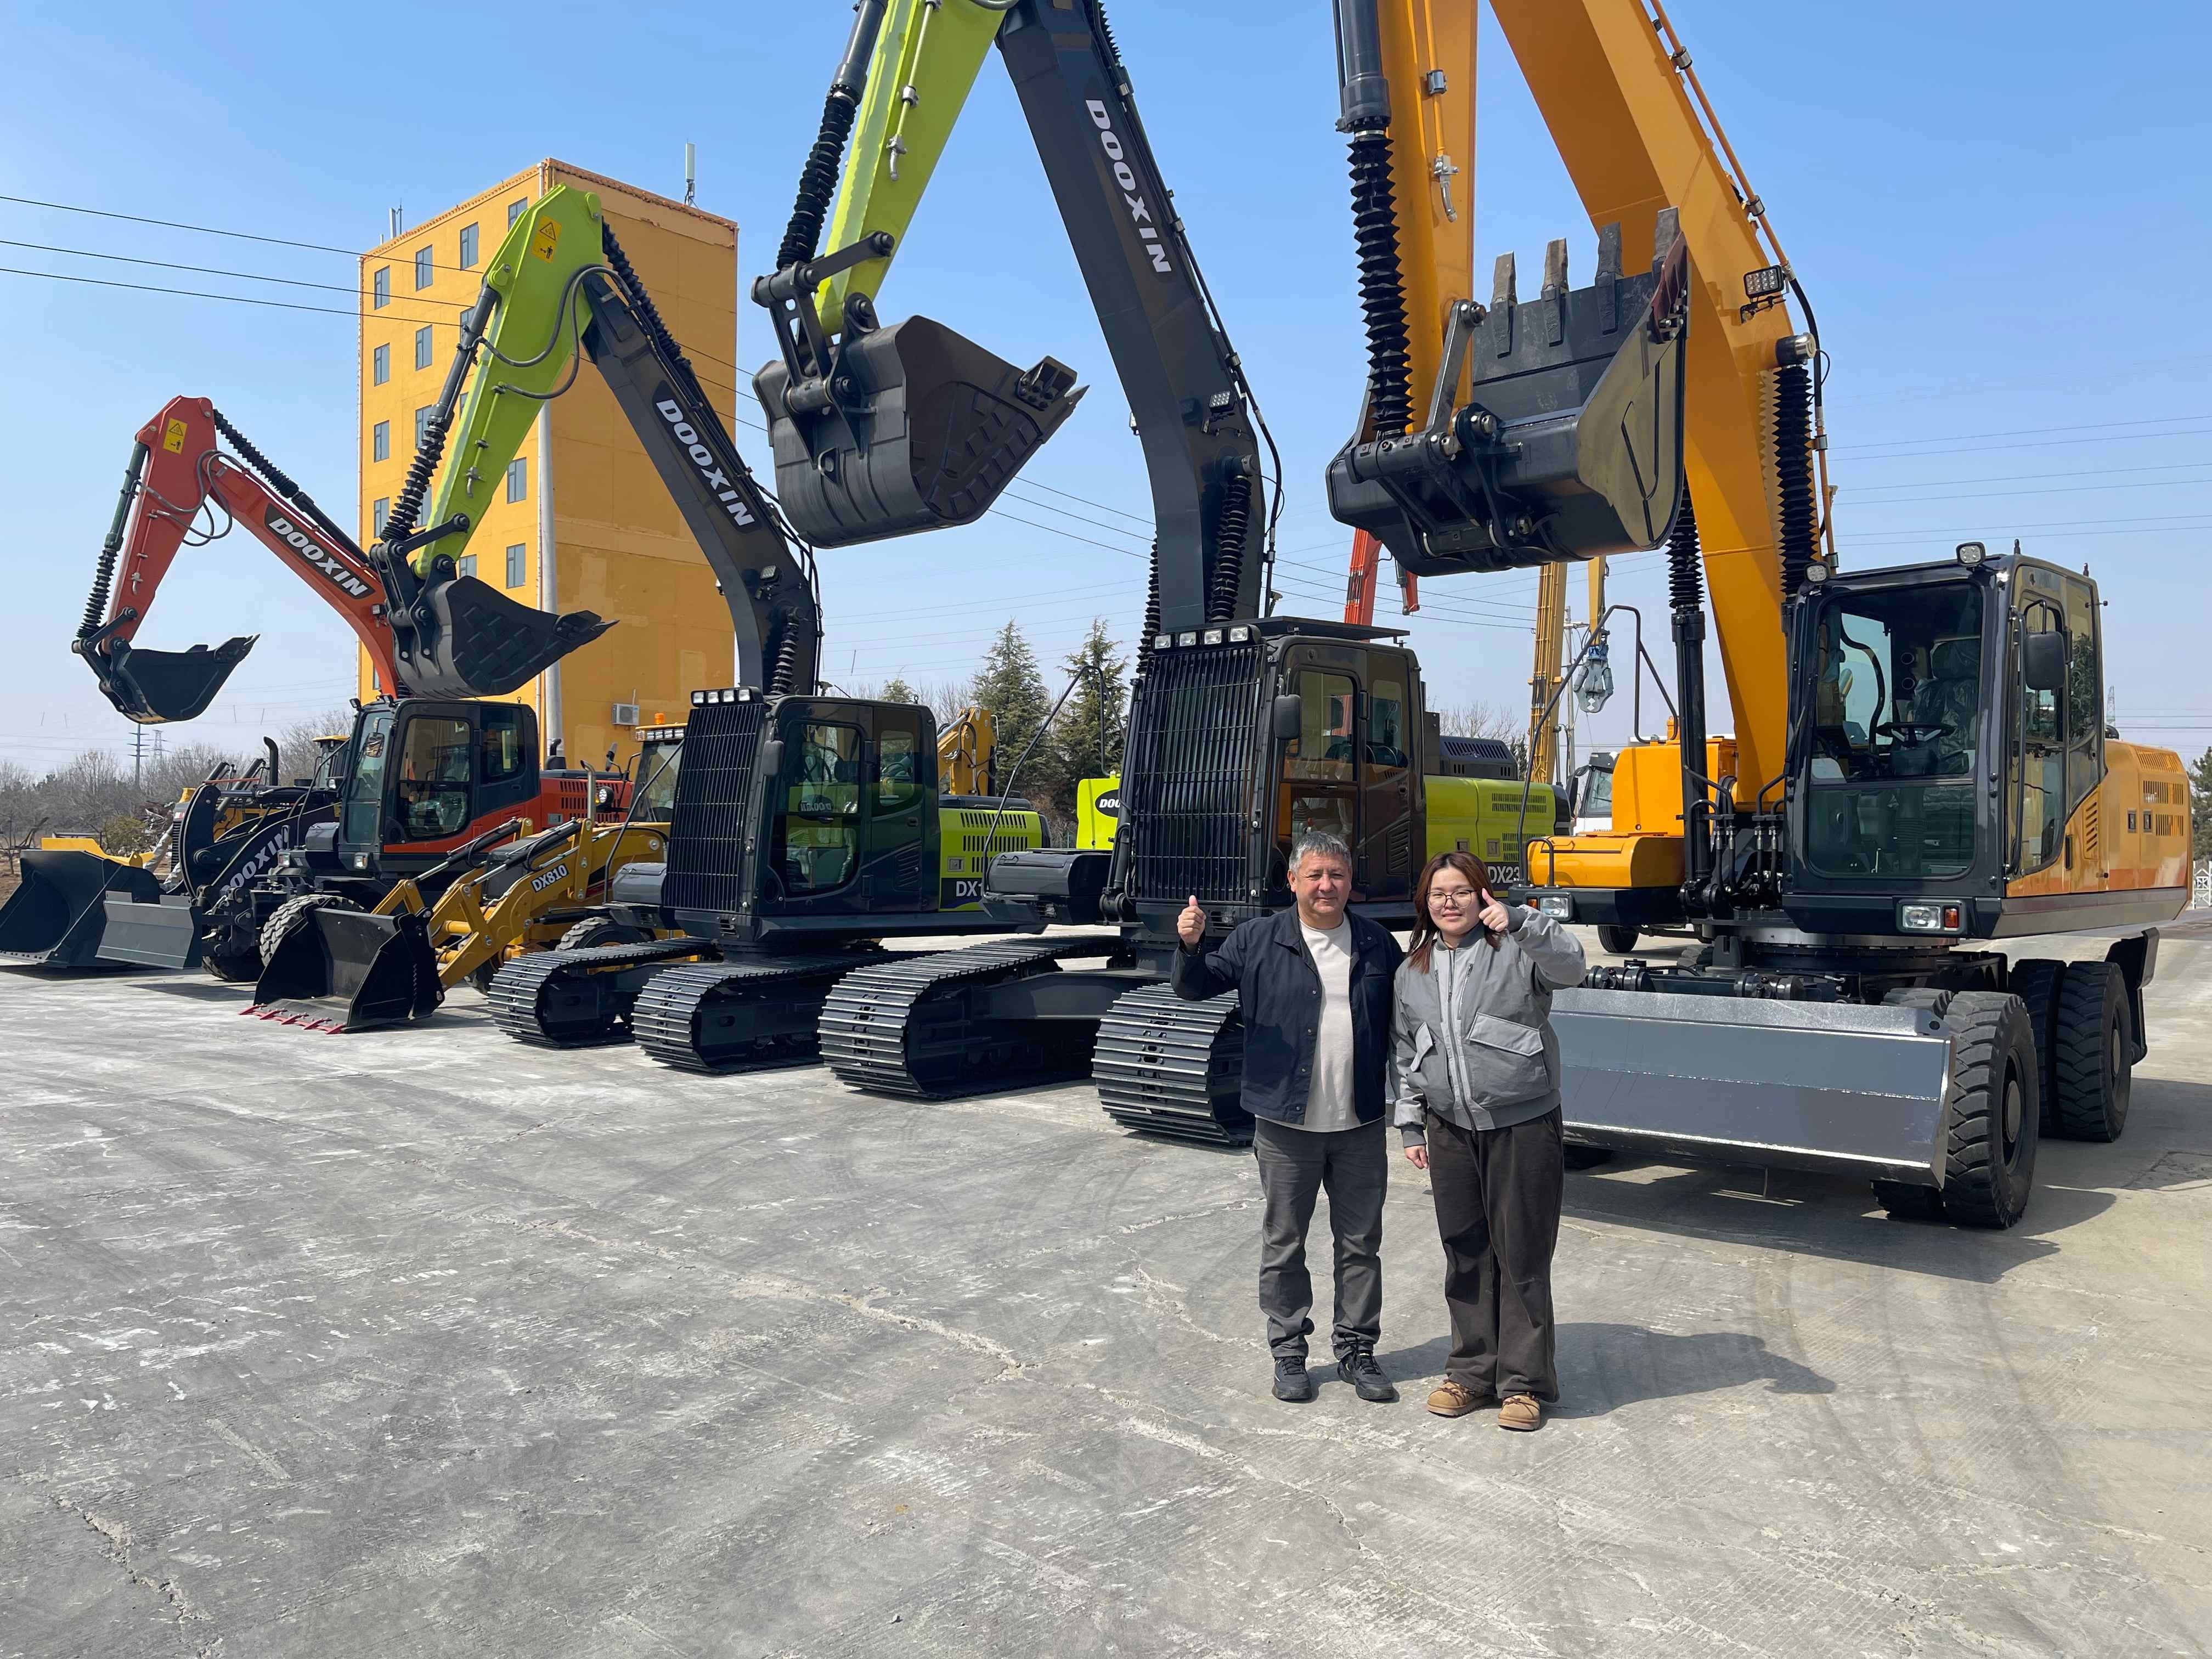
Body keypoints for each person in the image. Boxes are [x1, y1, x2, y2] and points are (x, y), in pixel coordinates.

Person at [1173, 831, 1404, 1405]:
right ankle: (1289, 1352)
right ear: (1293, 881)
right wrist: (1190, 944)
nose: (1327, 886)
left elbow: (1408, 1017)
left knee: (1361, 1243)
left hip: (1358, 1123)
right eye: (1315, 875)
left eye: (1337, 875)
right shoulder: (1258, 939)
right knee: (1285, 1244)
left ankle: (1357, 1349)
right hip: (1285, 1125)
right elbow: (1194, 988)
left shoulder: (1377, 944)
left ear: (1350, 882)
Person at [1392, 850, 1585, 1431]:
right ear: (1425, 903)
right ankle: (1472, 1374)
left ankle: (1524, 1385)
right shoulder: (1412, 970)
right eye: (1438, 894)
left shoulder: (1517, 949)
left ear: (1482, 895)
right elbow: (1407, 1051)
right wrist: (1410, 1122)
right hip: (1449, 1128)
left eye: (1460, 891)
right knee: (1466, 1252)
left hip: (1521, 1124)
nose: (1449, 903)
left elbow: (1573, 967)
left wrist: (1523, 921)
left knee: (1522, 1252)